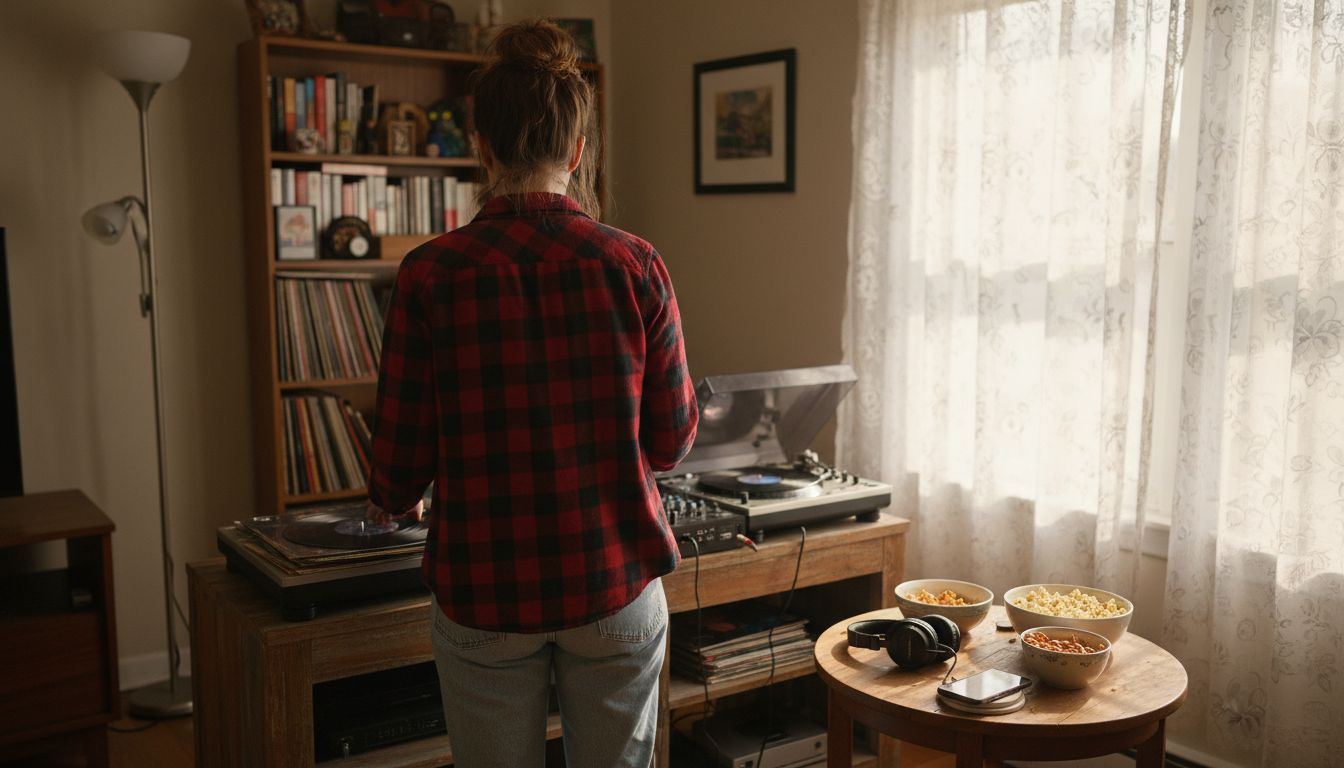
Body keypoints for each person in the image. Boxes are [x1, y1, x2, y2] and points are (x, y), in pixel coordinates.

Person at [365, 19, 698, 768]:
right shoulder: (636, 265)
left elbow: (397, 467)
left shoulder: (429, 275)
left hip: (484, 594)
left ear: (481, 148)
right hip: (614, 582)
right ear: (576, 152)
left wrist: (396, 498)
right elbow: (673, 442)